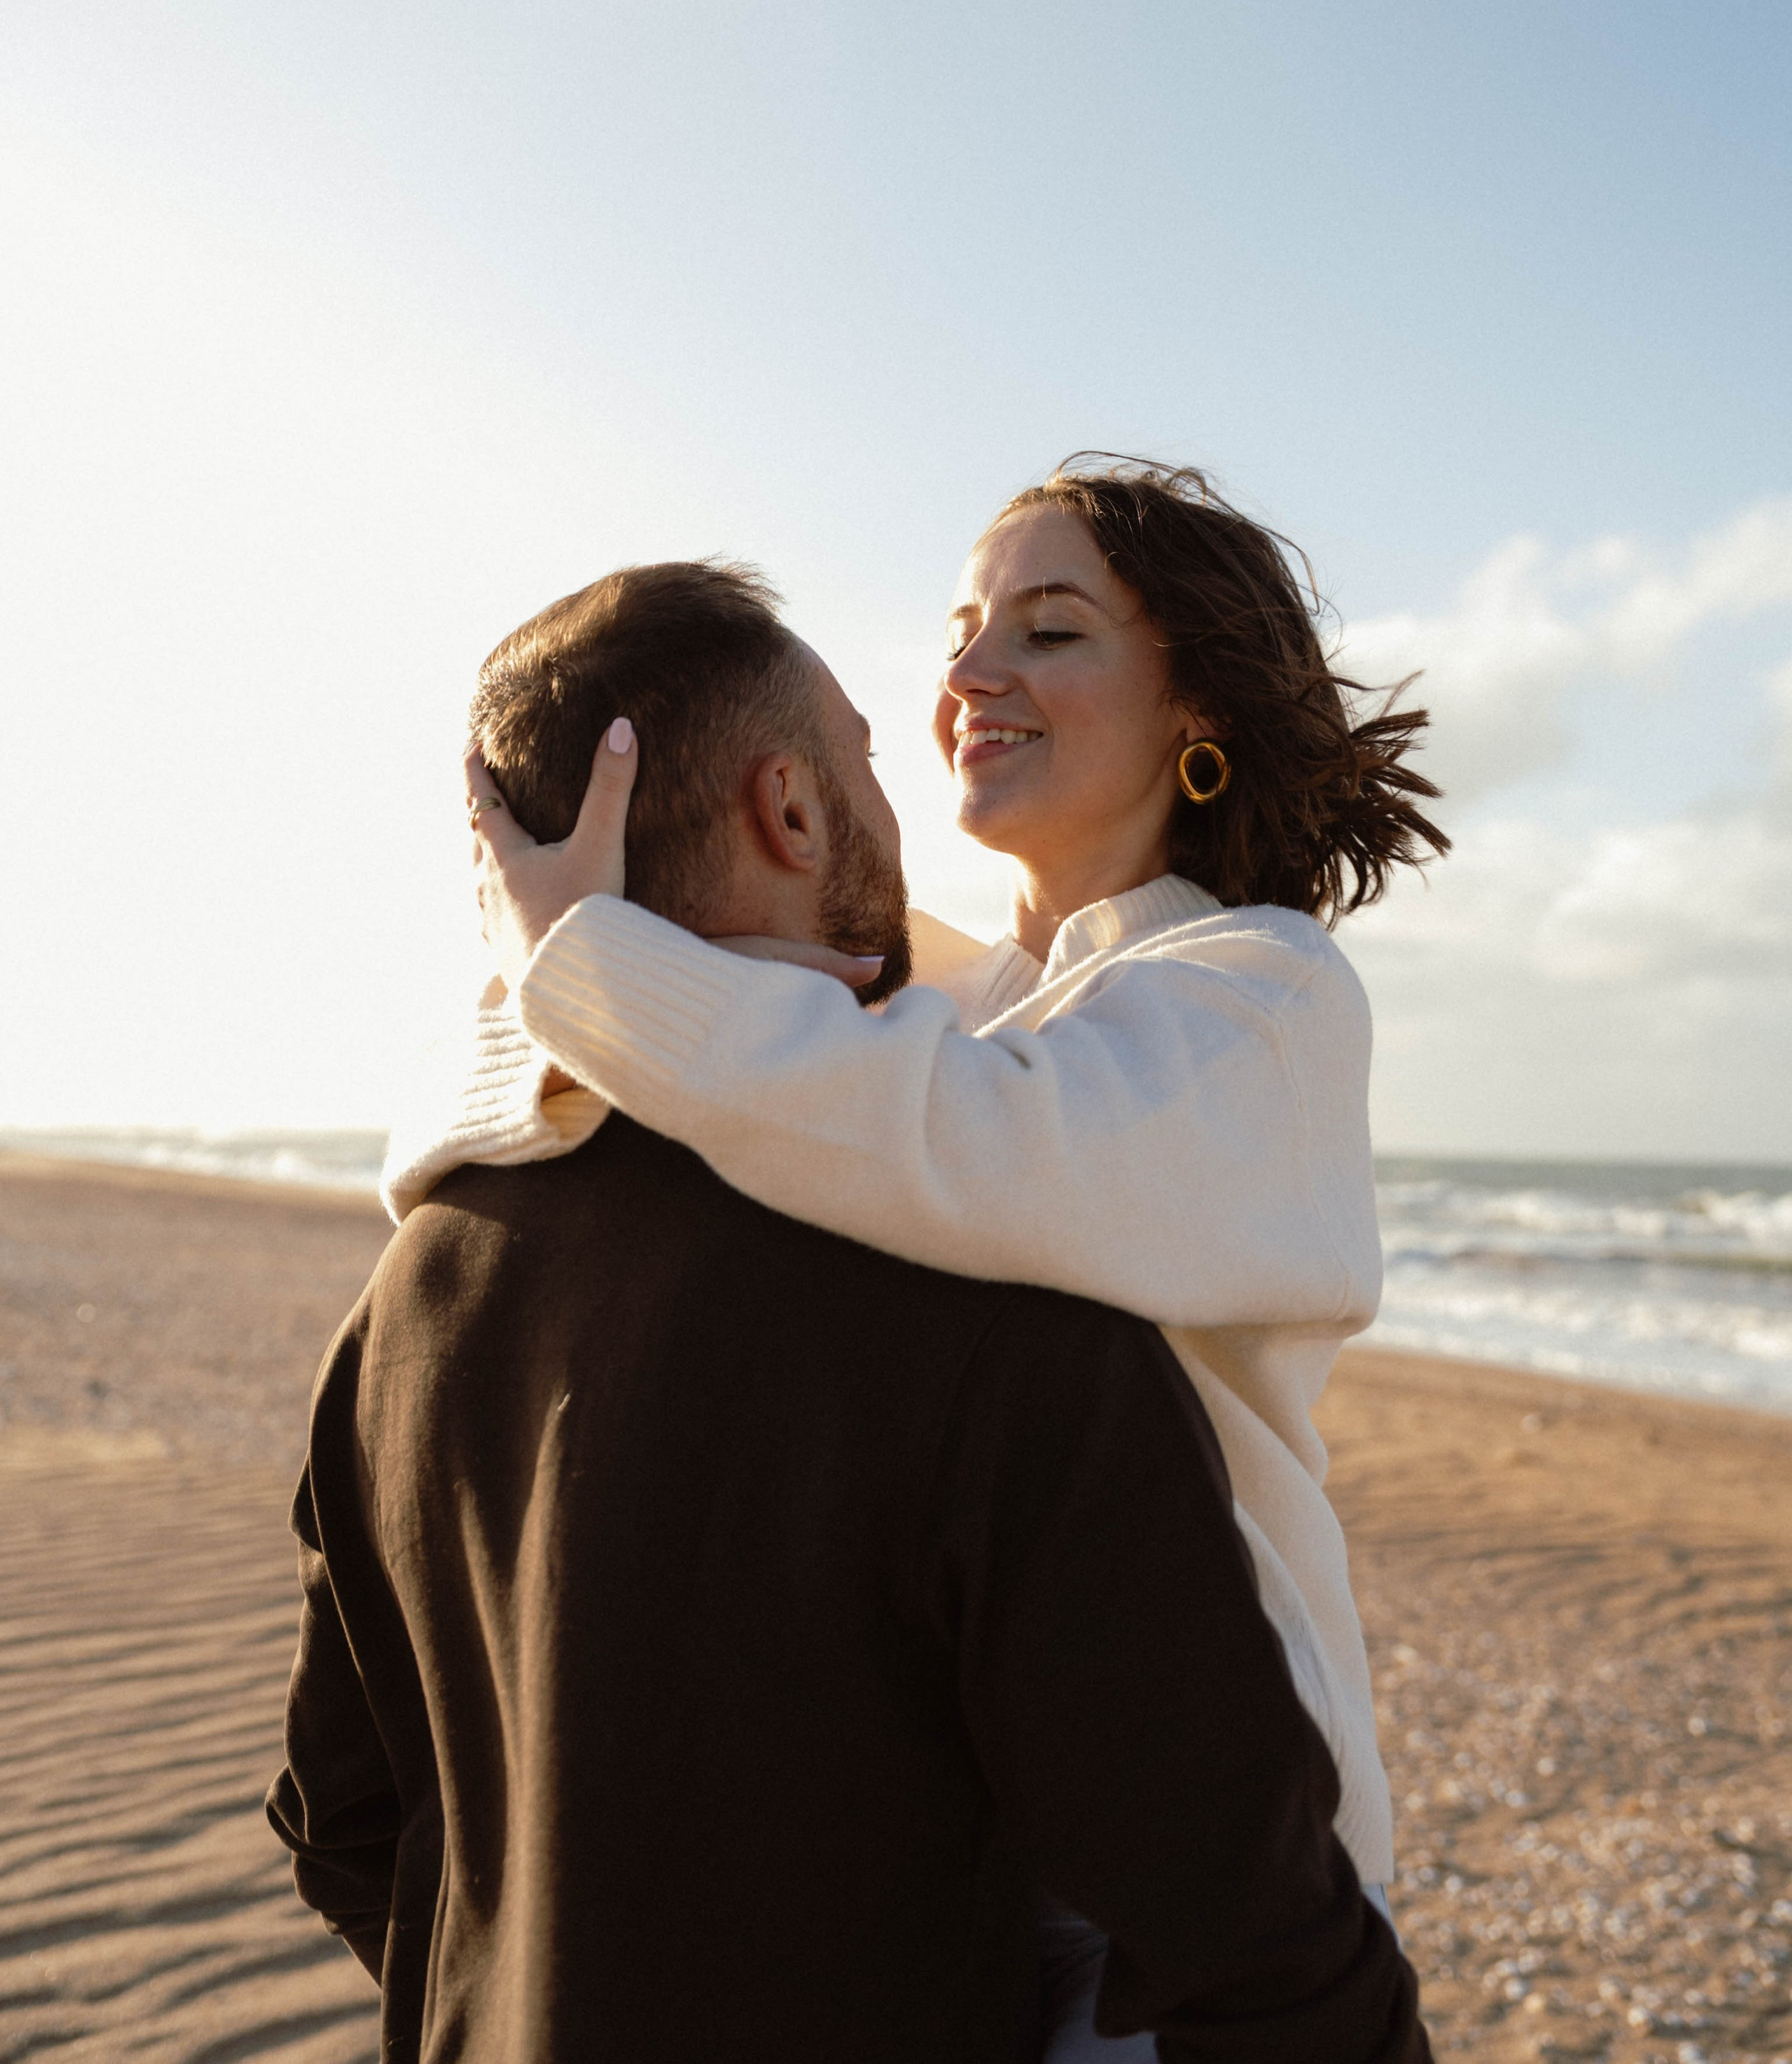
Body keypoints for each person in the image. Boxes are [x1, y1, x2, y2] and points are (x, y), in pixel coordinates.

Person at [272, 559, 1431, 2063]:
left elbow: (343, 1819)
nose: (957, 697)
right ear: (794, 813)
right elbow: (1243, 1938)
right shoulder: (1006, 1312)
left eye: (1047, 629)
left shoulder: (403, 1304)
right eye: (868, 751)